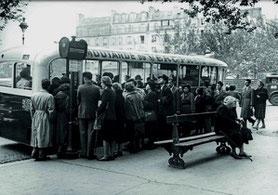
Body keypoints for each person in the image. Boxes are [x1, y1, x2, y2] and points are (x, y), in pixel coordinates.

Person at [77, 72, 100, 160]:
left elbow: (78, 100)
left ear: (85, 78)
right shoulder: (96, 88)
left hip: (82, 112)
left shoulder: (80, 87)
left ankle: (83, 152)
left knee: (82, 132)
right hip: (93, 112)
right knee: (91, 133)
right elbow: (98, 100)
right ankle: (90, 153)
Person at [30, 79, 55, 161]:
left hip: (36, 115)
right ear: (48, 86)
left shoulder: (34, 95)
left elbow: (31, 109)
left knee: (36, 134)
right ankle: (42, 154)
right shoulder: (49, 96)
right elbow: (51, 109)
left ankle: (34, 151)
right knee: (44, 134)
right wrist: (52, 119)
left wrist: (32, 117)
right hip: (44, 115)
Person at [98, 76, 117, 161]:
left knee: (105, 137)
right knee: (112, 136)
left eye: (101, 83)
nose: (101, 84)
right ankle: (112, 153)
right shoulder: (112, 91)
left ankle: (106, 155)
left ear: (104, 83)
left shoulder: (106, 92)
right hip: (113, 116)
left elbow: (103, 104)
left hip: (106, 116)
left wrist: (98, 111)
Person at [125, 80, 145, 153]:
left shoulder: (128, 97)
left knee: (131, 133)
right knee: (137, 133)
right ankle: (138, 146)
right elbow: (141, 106)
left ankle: (133, 148)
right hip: (139, 116)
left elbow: (129, 109)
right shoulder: (138, 95)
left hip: (131, 117)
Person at [54, 83, 70, 158]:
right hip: (63, 115)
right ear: (66, 90)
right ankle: (61, 150)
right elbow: (67, 108)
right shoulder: (66, 97)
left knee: (57, 131)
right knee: (63, 131)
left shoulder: (56, 95)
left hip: (57, 115)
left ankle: (57, 148)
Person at [143, 80, 159, 149]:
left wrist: (144, 102)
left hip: (151, 113)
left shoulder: (152, 94)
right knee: (150, 129)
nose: (146, 86)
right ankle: (150, 142)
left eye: (147, 85)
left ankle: (152, 143)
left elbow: (153, 104)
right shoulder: (149, 93)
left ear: (149, 86)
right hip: (150, 113)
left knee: (151, 129)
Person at [157, 74, 174, 139]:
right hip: (163, 111)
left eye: (160, 79)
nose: (158, 80)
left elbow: (169, 99)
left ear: (164, 81)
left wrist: (160, 100)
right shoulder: (162, 88)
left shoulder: (166, 89)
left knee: (166, 127)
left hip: (166, 111)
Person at [112, 83, 126, 157]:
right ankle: (120, 149)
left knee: (114, 134)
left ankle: (114, 150)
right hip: (121, 117)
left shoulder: (114, 96)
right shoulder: (122, 96)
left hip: (115, 117)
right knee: (120, 134)